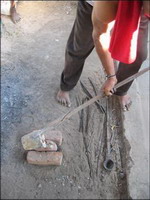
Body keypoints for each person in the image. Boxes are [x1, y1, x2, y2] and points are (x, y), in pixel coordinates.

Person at [57, 1, 148, 111]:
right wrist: (111, 76)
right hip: (94, 5)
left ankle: (120, 89)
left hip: (138, 7)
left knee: (139, 54)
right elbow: (100, 36)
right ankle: (66, 84)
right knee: (80, 46)